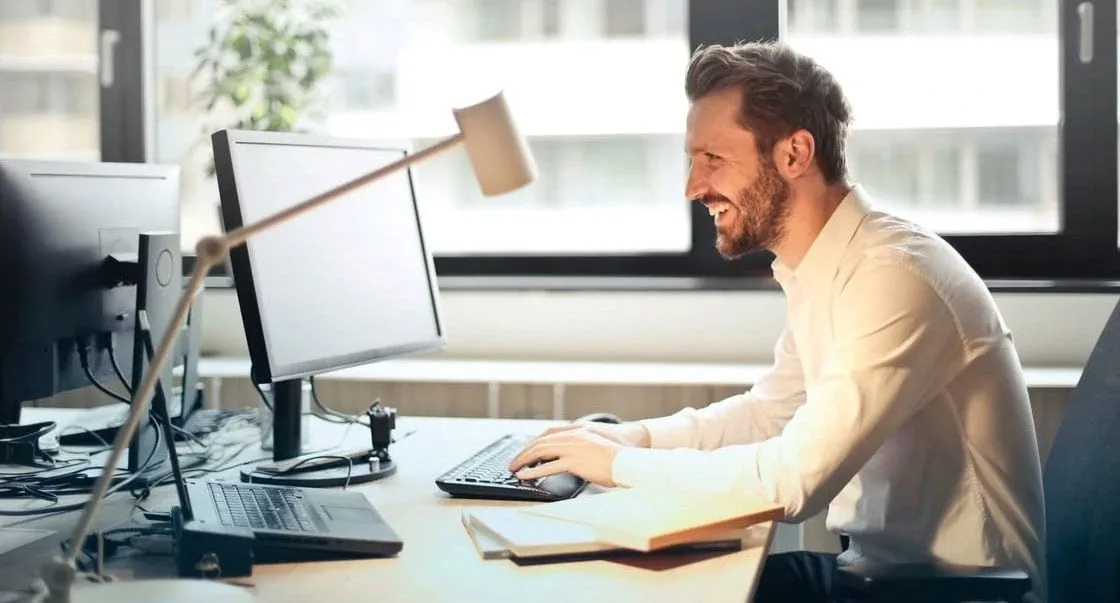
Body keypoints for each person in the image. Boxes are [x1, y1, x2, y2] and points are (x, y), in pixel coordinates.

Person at [509, 40, 1046, 603]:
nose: (693, 186)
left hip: (951, 594)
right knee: (636, 579)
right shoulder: (826, 265)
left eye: (713, 159)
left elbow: (793, 483)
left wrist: (617, 465)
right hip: (875, 576)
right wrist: (633, 438)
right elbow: (771, 414)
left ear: (794, 154)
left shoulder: (896, 277)